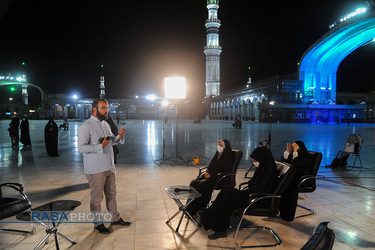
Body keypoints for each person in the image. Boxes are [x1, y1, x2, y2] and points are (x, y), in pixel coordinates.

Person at [199, 147, 278, 239]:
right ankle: (214, 222)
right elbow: (254, 184)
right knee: (226, 191)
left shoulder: (269, 172)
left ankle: (213, 222)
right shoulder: (264, 168)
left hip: (256, 199)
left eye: (255, 160)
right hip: (250, 195)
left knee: (227, 195)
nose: (254, 162)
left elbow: (261, 189)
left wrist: (249, 189)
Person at [78, 99, 131, 234]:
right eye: (103, 108)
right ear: (94, 109)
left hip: (109, 165)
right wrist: (98, 146)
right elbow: (81, 148)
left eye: (107, 108)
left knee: (112, 194)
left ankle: (115, 218)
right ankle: (98, 224)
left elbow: (111, 141)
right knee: (97, 198)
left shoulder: (105, 124)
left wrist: (119, 136)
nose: (106, 111)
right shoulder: (86, 126)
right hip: (96, 168)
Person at [186, 139, 234, 216]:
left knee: (201, 185)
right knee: (194, 183)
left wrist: (211, 175)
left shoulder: (227, 157)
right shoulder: (217, 155)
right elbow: (211, 166)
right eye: (218, 144)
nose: (218, 146)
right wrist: (207, 172)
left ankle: (199, 207)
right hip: (211, 176)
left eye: (221, 145)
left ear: (225, 147)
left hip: (219, 179)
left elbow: (226, 171)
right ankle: (191, 207)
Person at [280, 140, 313, 221]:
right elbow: (285, 164)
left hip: (300, 180)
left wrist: (295, 153)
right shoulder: (293, 156)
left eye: (295, 146)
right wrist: (288, 151)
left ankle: (288, 214)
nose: (293, 148)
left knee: (288, 186)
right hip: (291, 178)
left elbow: (298, 167)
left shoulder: (305, 158)